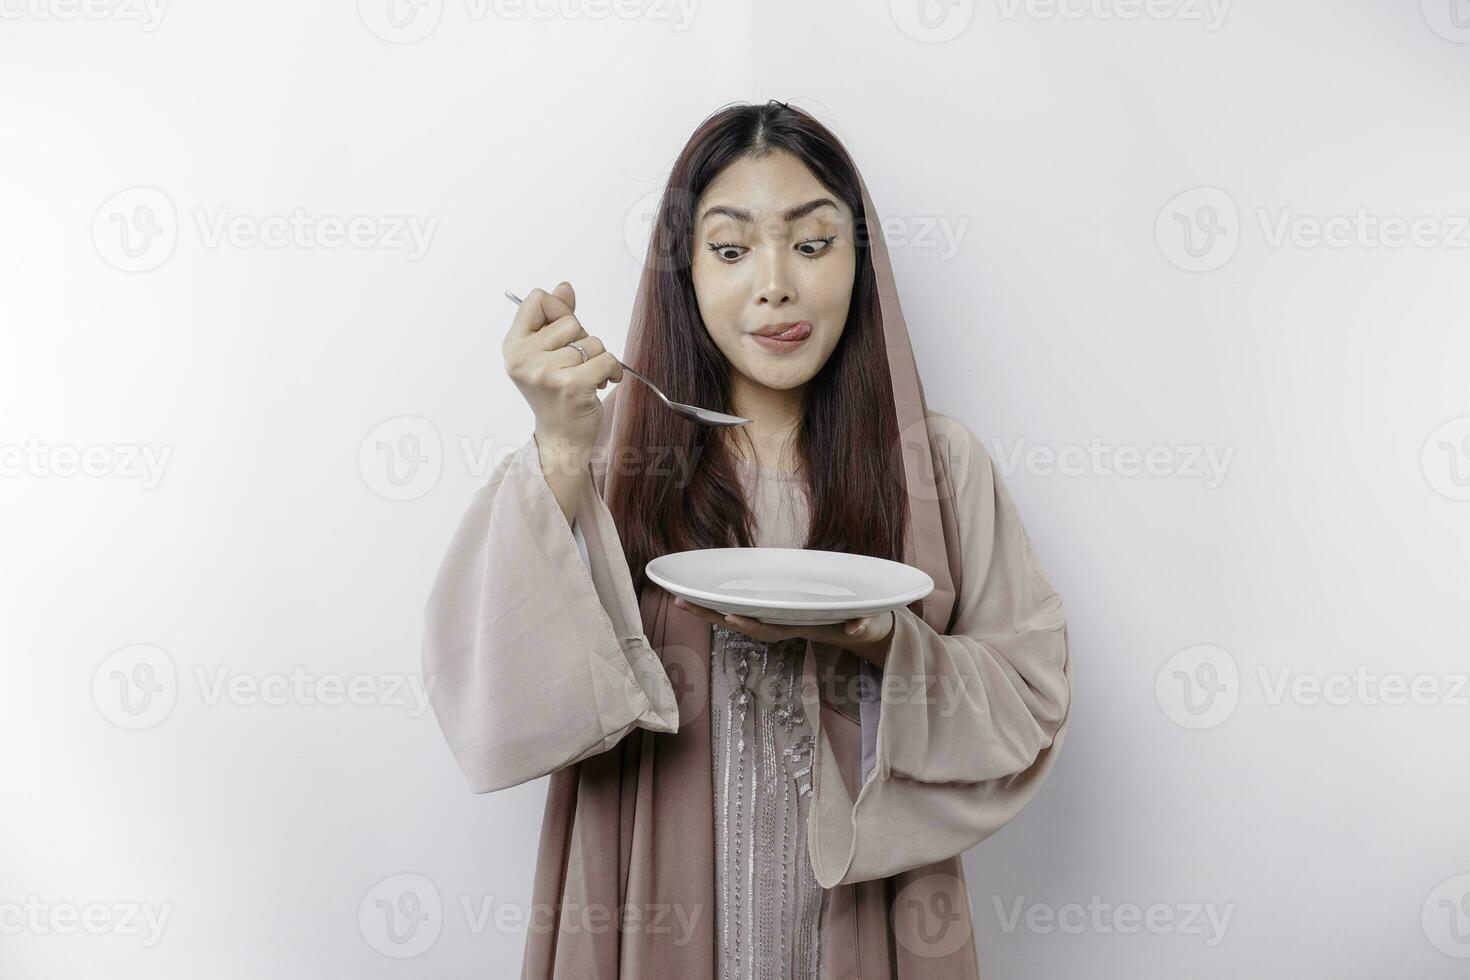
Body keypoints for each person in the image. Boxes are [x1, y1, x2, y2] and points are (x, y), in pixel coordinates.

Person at [421, 100, 1073, 979]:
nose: (776, 284)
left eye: (812, 244)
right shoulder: (607, 458)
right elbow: (487, 694)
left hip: (867, 929)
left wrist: (885, 641)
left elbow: (1029, 701)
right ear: (684, 272)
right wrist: (560, 445)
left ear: (860, 263)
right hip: (646, 910)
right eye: (731, 250)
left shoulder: (938, 464)